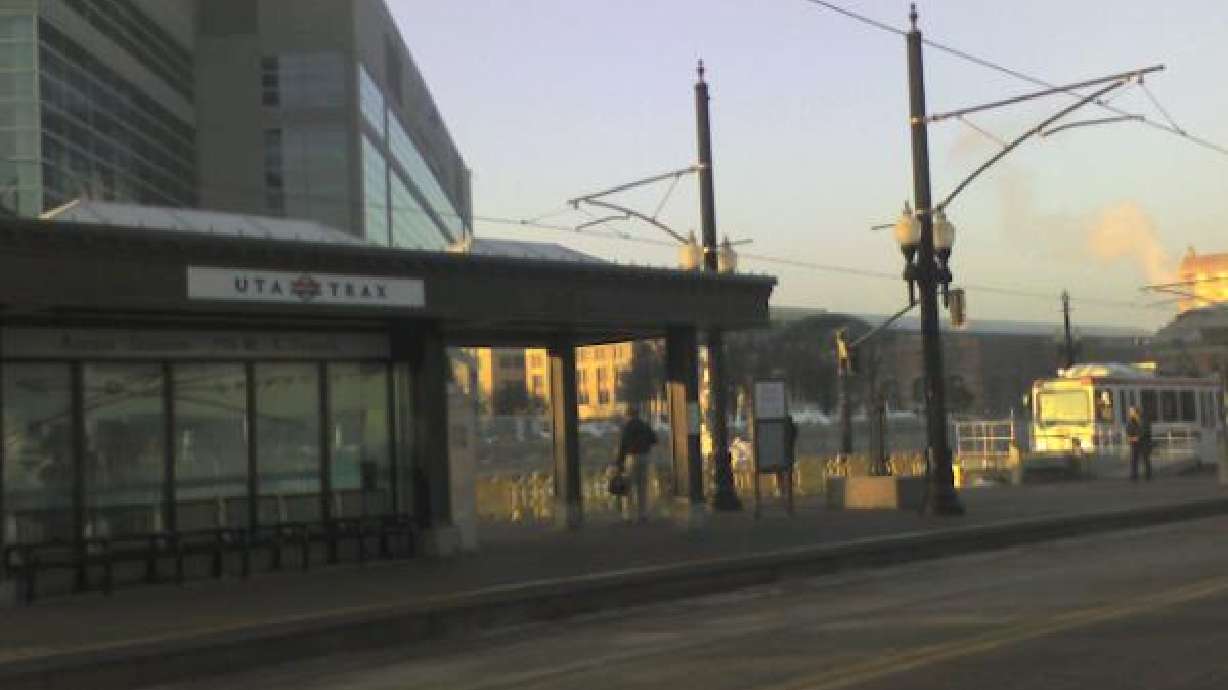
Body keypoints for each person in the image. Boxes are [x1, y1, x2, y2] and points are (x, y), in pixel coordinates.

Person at [615, 405, 658, 522]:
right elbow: (655, 439)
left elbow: (623, 445)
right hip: (644, 456)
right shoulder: (644, 425)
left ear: (628, 415)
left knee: (628, 486)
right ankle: (643, 514)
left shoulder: (627, 426)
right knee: (642, 487)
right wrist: (645, 444)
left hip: (631, 457)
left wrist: (619, 462)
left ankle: (628, 515)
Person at [1125, 406, 1153, 481]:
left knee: (1145, 459)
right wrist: (1129, 437)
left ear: (1136, 412)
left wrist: (1138, 437)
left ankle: (1148, 475)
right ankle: (1134, 475)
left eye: (1131, 411)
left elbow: (1146, 430)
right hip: (1134, 443)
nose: (1130, 413)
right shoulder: (1130, 421)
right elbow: (1128, 430)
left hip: (1144, 442)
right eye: (1129, 412)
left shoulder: (1143, 420)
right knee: (1134, 460)